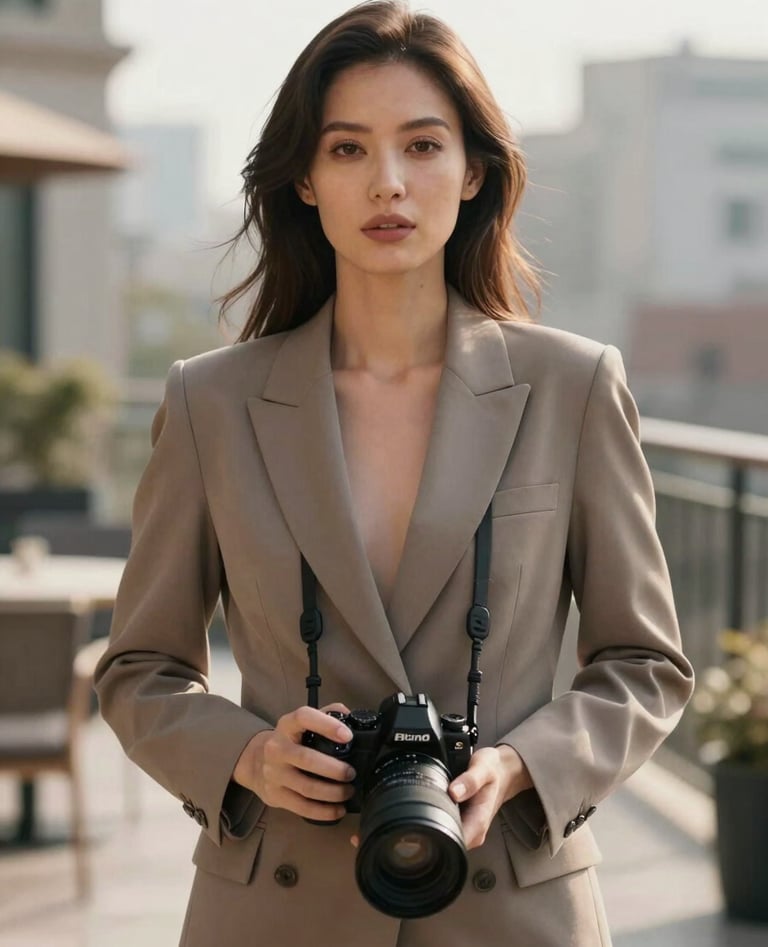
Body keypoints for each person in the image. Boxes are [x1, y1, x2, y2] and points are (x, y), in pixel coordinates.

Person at [95, 3, 695, 945]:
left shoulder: (573, 386)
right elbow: (139, 668)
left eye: (422, 146)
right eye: (347, 150)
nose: (388, 184)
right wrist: (250, 757)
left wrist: (526, 764)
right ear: (303, 177)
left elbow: (646, 663)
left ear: (473, 174)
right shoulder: (212, 402)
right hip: (277, 908)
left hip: (510, 899)